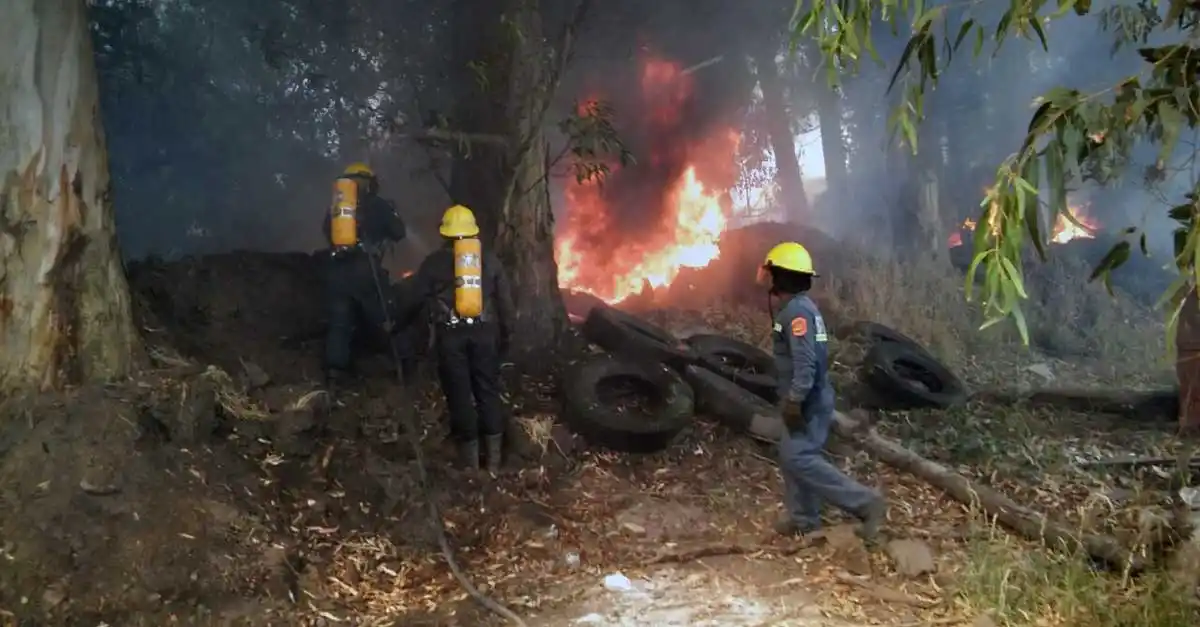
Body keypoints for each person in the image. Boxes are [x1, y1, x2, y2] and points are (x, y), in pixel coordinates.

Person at [759, 242, 887, 541]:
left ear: (782, 276)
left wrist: (795, 400)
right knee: (792, 455)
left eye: (771, 273)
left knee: (799, 458)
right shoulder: (798, 308)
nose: (766, 279)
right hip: (805, 397)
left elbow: (805, 363)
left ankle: (866, 502)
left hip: (808, 401)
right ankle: (803, 519)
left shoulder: (797, 314)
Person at [397, 204, 515, 472]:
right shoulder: (489, 260)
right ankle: (494, 463)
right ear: (473, 231)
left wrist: (396, 325)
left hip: (451, 336)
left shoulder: (434, 263)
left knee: (460, 393)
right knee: (487, 390)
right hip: (485, 333)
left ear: (446, 233)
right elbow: (505, 305)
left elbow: (414, 300)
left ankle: (470, 465)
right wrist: (506, 336)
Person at [322, 162, 407, 392]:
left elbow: (326, 232)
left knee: (339, 322)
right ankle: (400, 364)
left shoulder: (337, 208)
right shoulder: (377, 204)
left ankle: (335, 374)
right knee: (383, 315)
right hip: (365, 268)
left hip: (337, 270)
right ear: (370, 183)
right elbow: (399, 232)